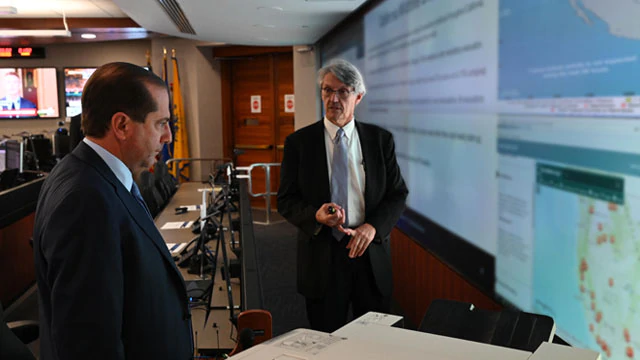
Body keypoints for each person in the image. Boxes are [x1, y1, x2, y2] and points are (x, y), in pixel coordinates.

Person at [33, 62, 193, 360]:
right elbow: (89, 343)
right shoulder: (85, 200)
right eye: (160, 123)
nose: (168, 136)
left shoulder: (93, 175)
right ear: (122, 125)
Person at [277, 58, 408, 332]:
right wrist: (314, 215)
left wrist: (373, 227)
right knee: (325, 339)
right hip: (323, 258)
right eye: (327, 90)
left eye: (342, 91)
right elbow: (286, 200)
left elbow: (397, 194)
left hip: (369, 256)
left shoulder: (380, 140)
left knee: (375, 341)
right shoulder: (299, 143)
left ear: (358, 97)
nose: (333, 98)